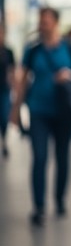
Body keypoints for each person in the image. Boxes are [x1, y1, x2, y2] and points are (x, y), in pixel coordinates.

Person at [9, 7, 71, 226]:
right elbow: (23, 80)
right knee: (40, 157)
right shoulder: (32, 50)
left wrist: (70, 74)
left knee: (62, 158)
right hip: (38, 112)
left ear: (55, 23)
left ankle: (60, 199)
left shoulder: (70, 48)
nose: (41, 25)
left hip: (64, 113)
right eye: (40, 21)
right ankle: (39, 207)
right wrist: (15, 110)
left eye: (45, 21)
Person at [0, 24, 14, 158]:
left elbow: (12, 71)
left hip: (4, 89)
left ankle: (4, 141)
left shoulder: (8, 52)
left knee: (4, 116)